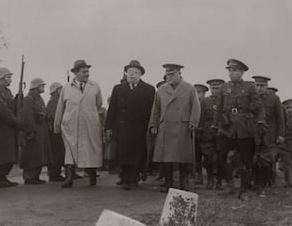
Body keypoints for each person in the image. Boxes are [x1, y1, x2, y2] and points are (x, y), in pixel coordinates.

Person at [213, 59, 265, 201]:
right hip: (227, 127)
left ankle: (243, 191)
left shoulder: (249, 87)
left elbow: (259, 107)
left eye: (235, 70)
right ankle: (230, 186)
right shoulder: (224, 87)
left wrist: (260, 121)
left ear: (242, 72)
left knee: (246, 160)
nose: (232, 73)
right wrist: (216, 125)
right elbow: (218, 108)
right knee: (223, 156)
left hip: (245, 128)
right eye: (230, 70)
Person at [148, 64, 201, 192]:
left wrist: (193, 122)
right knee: (166, 158)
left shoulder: (189, 88)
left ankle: (184, 183)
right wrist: (153, 124)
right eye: (167, 74)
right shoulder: (161, 90)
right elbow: (155, 109)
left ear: (179, 74)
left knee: (183, 157)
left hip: (183, 127)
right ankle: (168, 183)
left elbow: (196, 107)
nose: (169, 77)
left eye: (172, 74)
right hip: (165, 126)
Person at [105, 60, 155, 190]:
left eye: (135, 72)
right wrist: (109, 127)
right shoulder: (118, 89)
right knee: (122, 153)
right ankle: (125, 178)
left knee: (137, 153)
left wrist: (152, 126)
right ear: (126, 73)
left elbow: (152, 111)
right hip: (122, 128)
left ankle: (134, 177)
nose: (132, 75)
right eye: (129, 72)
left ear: (140, 74)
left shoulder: (149, 90)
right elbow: (112, 110)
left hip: (140, 128)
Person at [54, 60, 103, 188]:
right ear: (75, 73)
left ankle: (92, 175)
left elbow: (99, 104)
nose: (87, 74)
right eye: (84, 71)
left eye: (88, 71)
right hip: (71, 125)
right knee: (70, 150)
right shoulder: (66, 88)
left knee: (90, 149)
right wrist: (57, 125)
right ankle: (69, 178)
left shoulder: (95, 86)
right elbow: (60, 107)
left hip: (89, 124)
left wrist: (90, 114)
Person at [252, 75, 284, 196]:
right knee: (253, 159)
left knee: (265, 160)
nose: (259, 88)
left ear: (267, 86)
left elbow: (280, 119)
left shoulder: (274, 99)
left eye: (262, 85)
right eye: (257, 85)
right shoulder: (251, 98)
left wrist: (281, 134)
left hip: (269, 135)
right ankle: (254, 182)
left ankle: (262, 185)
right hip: (253, 134)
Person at [0, 68, 19, 187]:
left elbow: (11, 106)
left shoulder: (7, 91)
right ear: (1, 78)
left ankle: (3, 176)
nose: (10, 80)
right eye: (8, 77)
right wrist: (13, 120)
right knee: (1, 151)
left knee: (8, 151)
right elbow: (1, 108)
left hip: (8, 125)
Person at [19, 78, 51, 185]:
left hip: (40, 129)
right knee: (31, 154)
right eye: (42, 85)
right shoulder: (29, 99)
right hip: (34, 130)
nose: (43, 87)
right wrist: (30, 130)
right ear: (36, 86)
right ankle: (29, 177)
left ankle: (35, 176)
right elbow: (27, 116)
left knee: (38, 155)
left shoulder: (38, 98)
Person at [204, 79, 226, 190]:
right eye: (213, 88)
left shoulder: (227, 100)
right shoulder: (205, 101)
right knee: (208, 158)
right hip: (208, 134)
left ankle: (219, 181)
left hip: (222, 134)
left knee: (221, 158)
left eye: (217, 88)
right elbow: (201, 118)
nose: (215, 90)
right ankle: (210, 179)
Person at [46, 82, 66, 182]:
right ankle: (54, 174)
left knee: (60, 153)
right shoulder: (53, 102)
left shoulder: (58, 101)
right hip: (54, 131)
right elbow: (53, 116)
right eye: (59, 89)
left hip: (59, 130)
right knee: (55, 153)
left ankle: (56, 173)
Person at [193, 84, 209, 186]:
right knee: (196, 157)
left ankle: (210, 177)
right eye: (196, 92)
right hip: (195, 134)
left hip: (206, 134)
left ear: (204, 93)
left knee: (207, 157)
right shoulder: (193, 104)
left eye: (199, 93)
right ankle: (199, 176)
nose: (197, 95)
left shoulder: (207, 103)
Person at [279, 99, 292, 187]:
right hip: (284, 143)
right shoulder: (281, 118)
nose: (290, 110)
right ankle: (288, 182)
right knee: (286, 163)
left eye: (291, 107)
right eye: (287, 107)